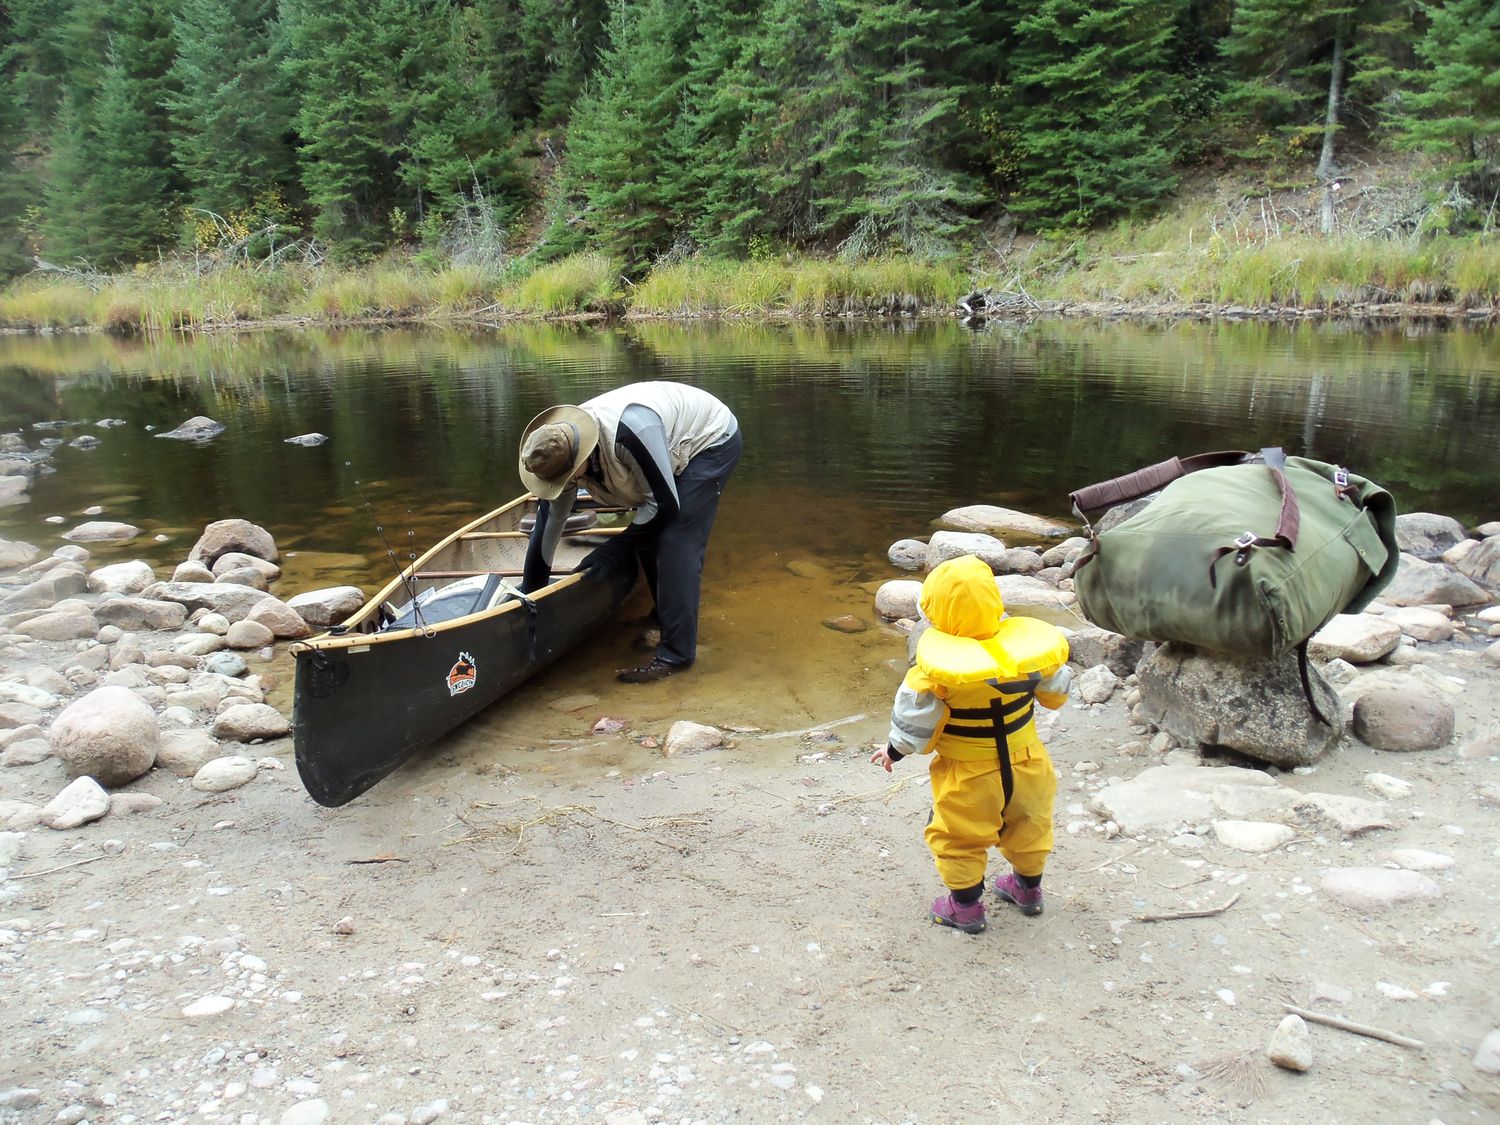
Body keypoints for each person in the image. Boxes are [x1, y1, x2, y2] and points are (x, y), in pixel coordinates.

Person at [871, 554, 1072, 933]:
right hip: (1028, 763)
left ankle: (965, 909)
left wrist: (892, 751)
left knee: (958, 836)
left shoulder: (934, 674)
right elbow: (1057, 692)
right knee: (1030, 825)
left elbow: (915, 725)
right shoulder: (1028, 657)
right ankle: (1028, 890)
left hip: (968, 774)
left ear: (935, 614)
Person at [517, 381, 742, 683]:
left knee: (675, 541)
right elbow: (549, 525)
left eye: (566, 477)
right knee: (646, 535)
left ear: (580, 459)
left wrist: (613, 550)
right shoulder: (554, 452)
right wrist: (531, 594)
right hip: (661, 444)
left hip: (710, 439)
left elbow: (664, 506)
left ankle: (676, 655)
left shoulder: (628, 434)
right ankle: (663, 615)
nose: (563, 483)